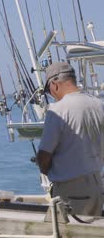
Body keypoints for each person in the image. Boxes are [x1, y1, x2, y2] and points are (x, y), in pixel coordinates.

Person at [37, 62, 104, 216]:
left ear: (54, 84)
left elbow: (44, 155)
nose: (51, 94)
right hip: (97, 186)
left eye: (48, 90)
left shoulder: (58, 110)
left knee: (61, 236)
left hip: (71, 191)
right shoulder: (99, 105)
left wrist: (44, 168)